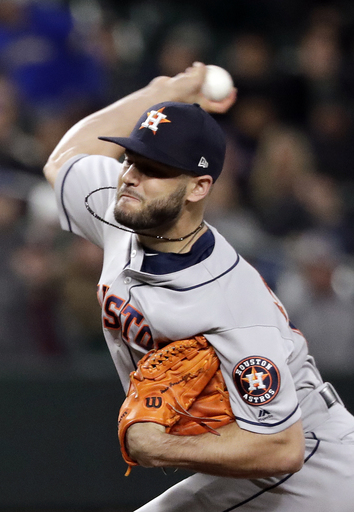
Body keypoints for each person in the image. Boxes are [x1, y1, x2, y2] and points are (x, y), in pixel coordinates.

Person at [43, 62, 354, 511]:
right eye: (130, 158)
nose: (129, 175)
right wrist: (160, 91)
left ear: (198, 188)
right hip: (271, 460)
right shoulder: (122, 206)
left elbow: (280, 446)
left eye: (152, 168)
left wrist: (159, 447)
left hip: (312, 467)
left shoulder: (230, 302)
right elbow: (63, 160)